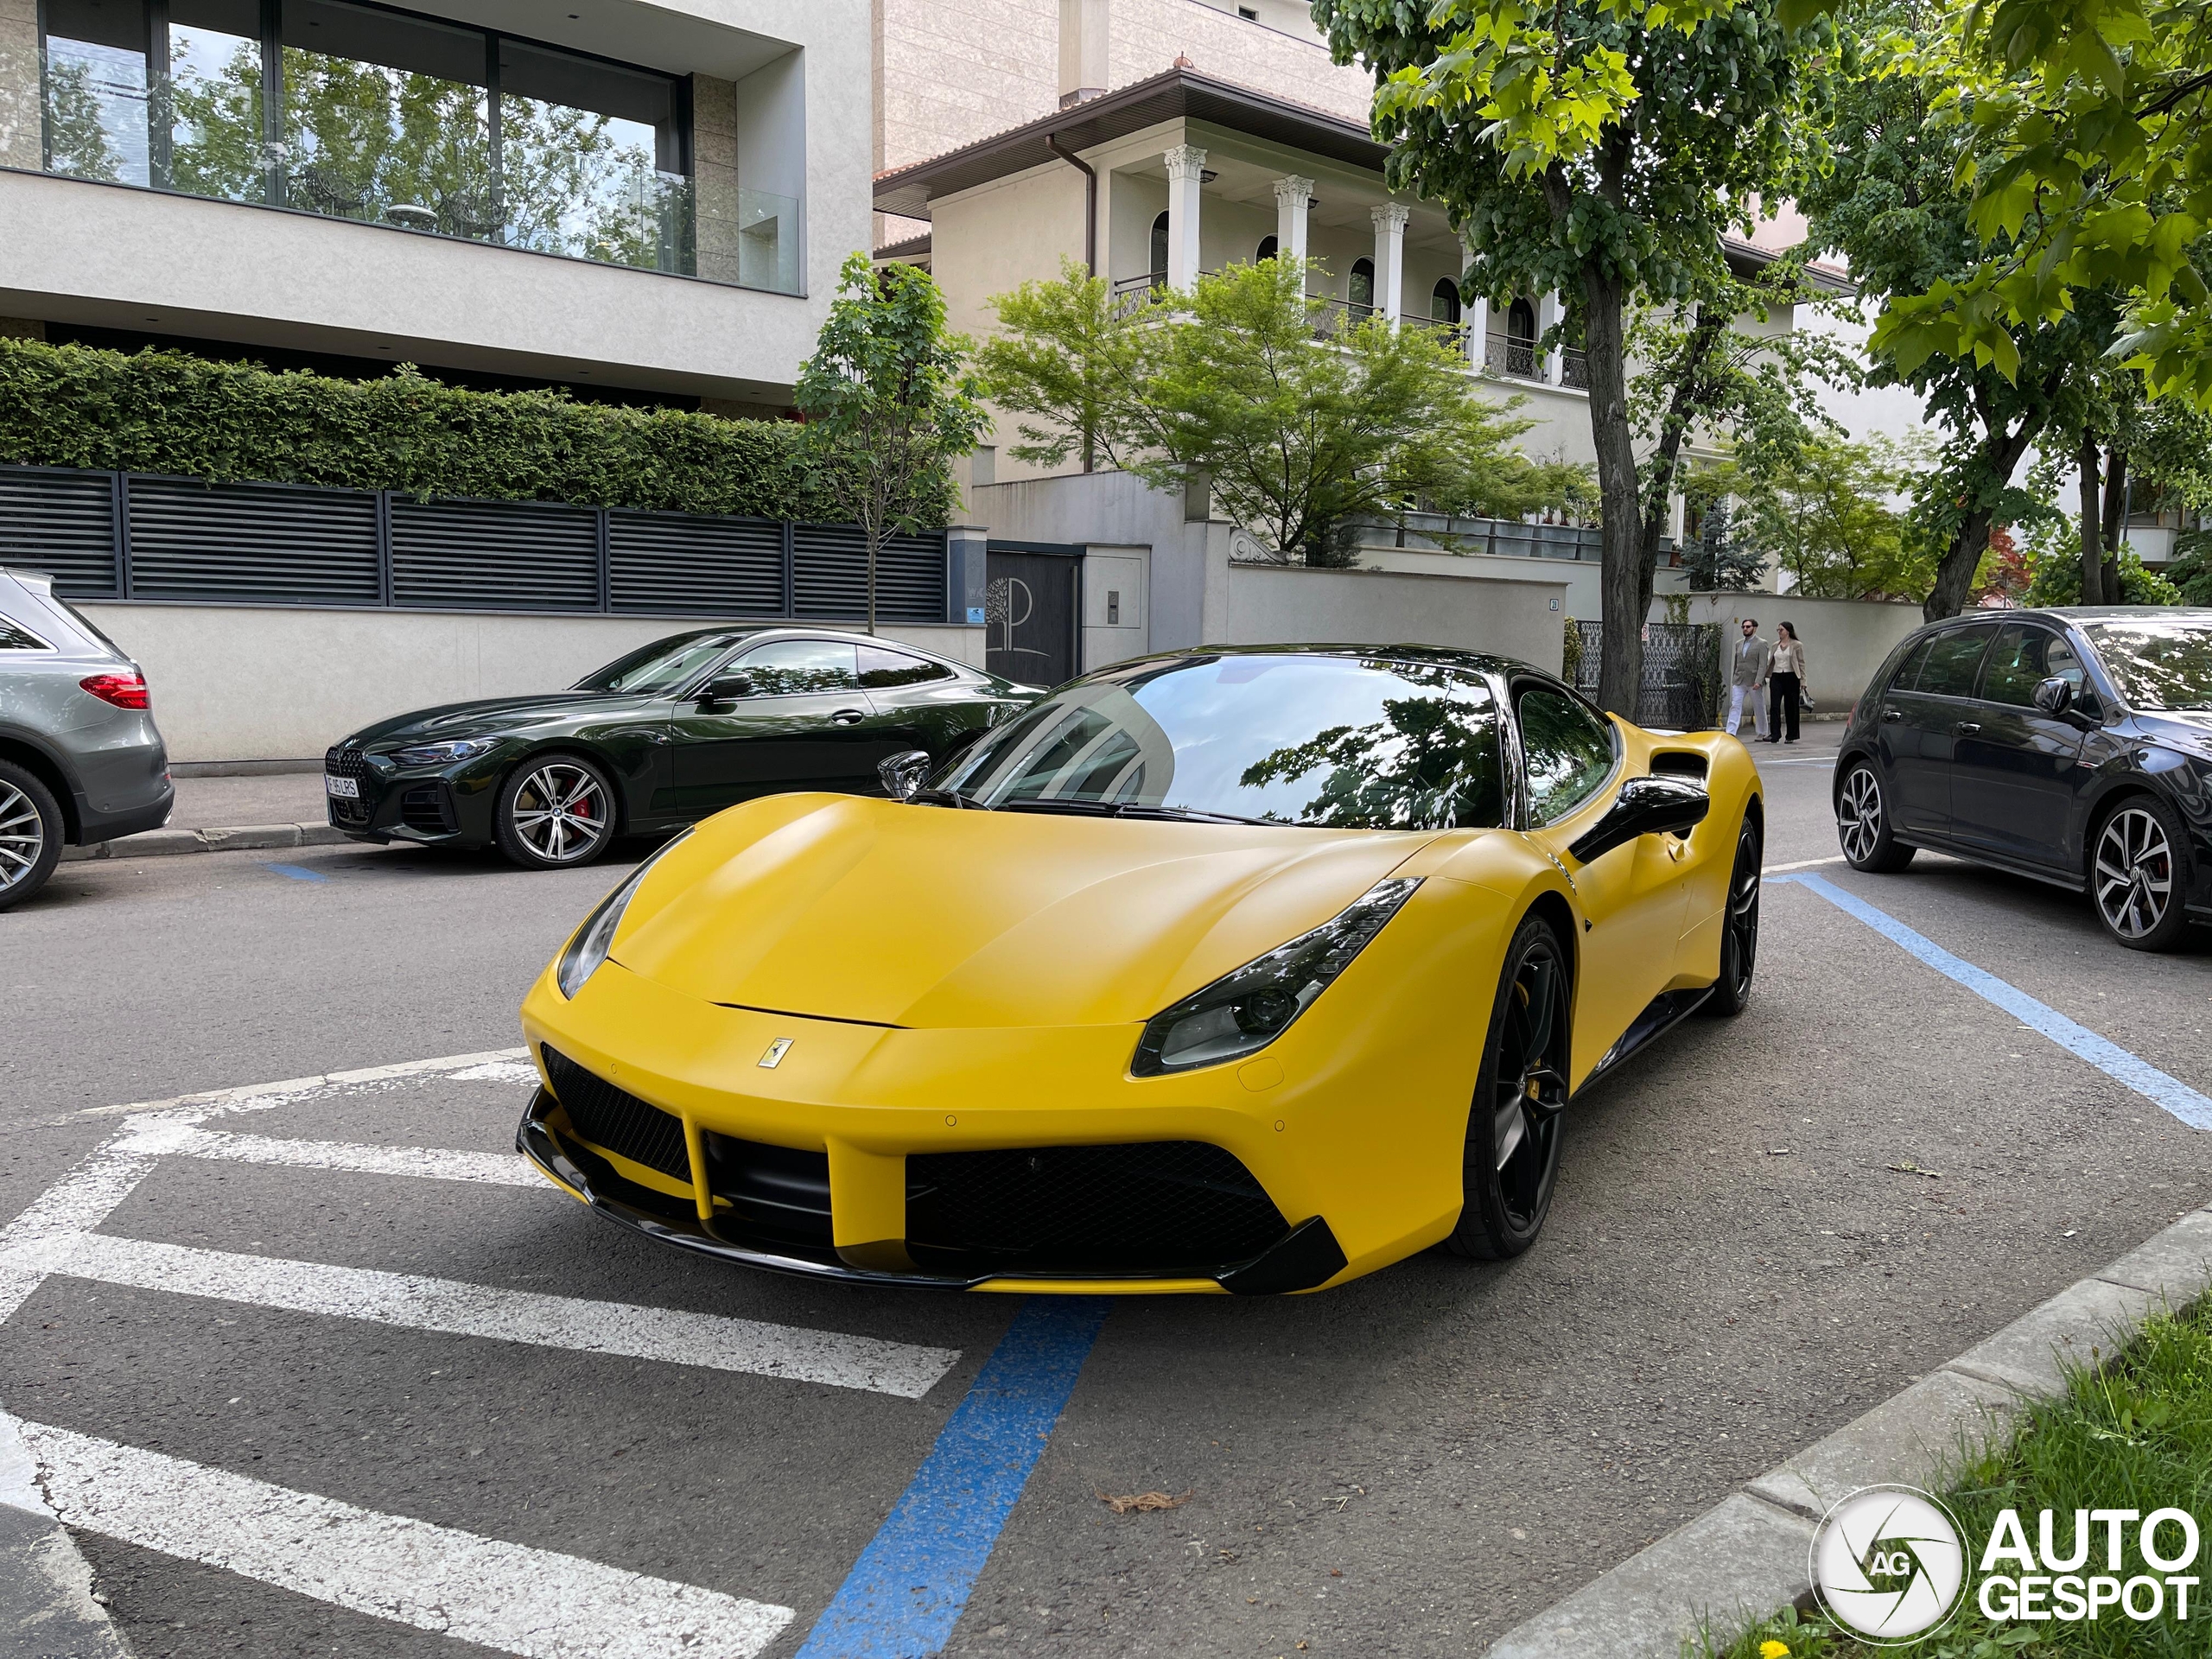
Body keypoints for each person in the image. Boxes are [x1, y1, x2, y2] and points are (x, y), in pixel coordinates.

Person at [1726, 617, 1770, 739]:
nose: (1745, 629)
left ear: (1754, 628)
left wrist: (1759, 681)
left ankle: (1762, 731)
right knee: (1735, 704)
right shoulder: (1739, 643)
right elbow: (1737, 661)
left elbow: (1763, 664)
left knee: (1759, 706)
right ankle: (1731, 732)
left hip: (1754, 680)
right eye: (1743, 627)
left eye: (1748, 627)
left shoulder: (1762, 643)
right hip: (1739, 679)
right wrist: (1735, 676)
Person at [1767, 620, 1808, 744]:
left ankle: (1791, 734)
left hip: (1791, 677)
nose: (1779, 632)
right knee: (1774, 706)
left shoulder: (1796, 645)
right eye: (1778, 630)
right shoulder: (1775, 645)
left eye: (1781, 630)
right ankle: (1775, 734)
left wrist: (1803, 680)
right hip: (1776, 676)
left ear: (1788, 631)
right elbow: (1771, 661)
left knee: (1791, 706)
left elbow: (1801, 663)